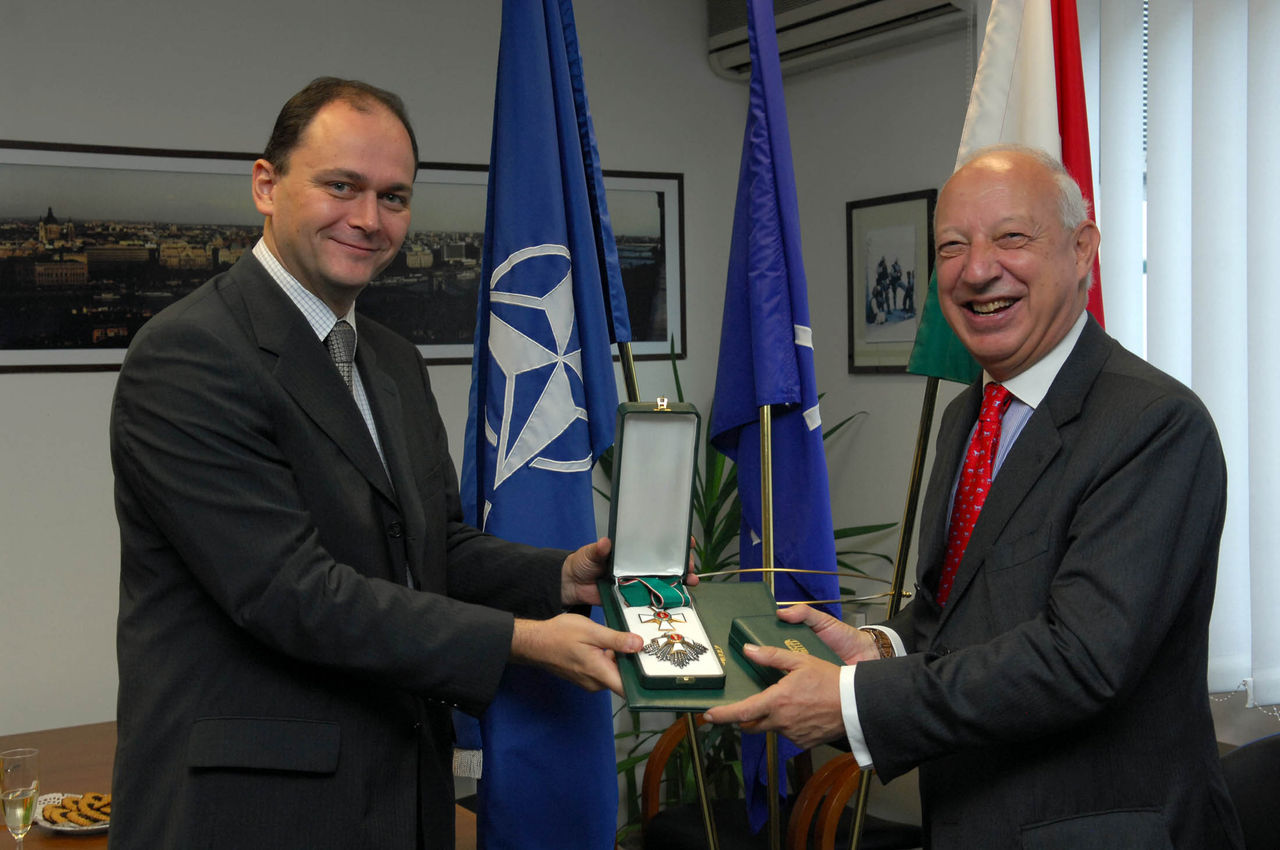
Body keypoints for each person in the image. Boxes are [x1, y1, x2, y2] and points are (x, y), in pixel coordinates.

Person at [108, 77, 643, 850]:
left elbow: (433, 548)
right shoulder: (188, 355)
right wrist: (522, 640)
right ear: (267, 185)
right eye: (342, 186)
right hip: (252, 815)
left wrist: (563, 577)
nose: (369, 219)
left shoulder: (388, 358)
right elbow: (291, 594)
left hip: (398, 794)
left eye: (394, 197)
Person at [705, 145, 1245, 849]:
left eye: (1011, 237)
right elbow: (954, 609)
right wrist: (878, 646)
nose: (977, 269)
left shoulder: (1154, 425)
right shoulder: (971, 417)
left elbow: (1080, 659)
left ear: (1083, 250)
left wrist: (848, 701)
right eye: (952, 246)